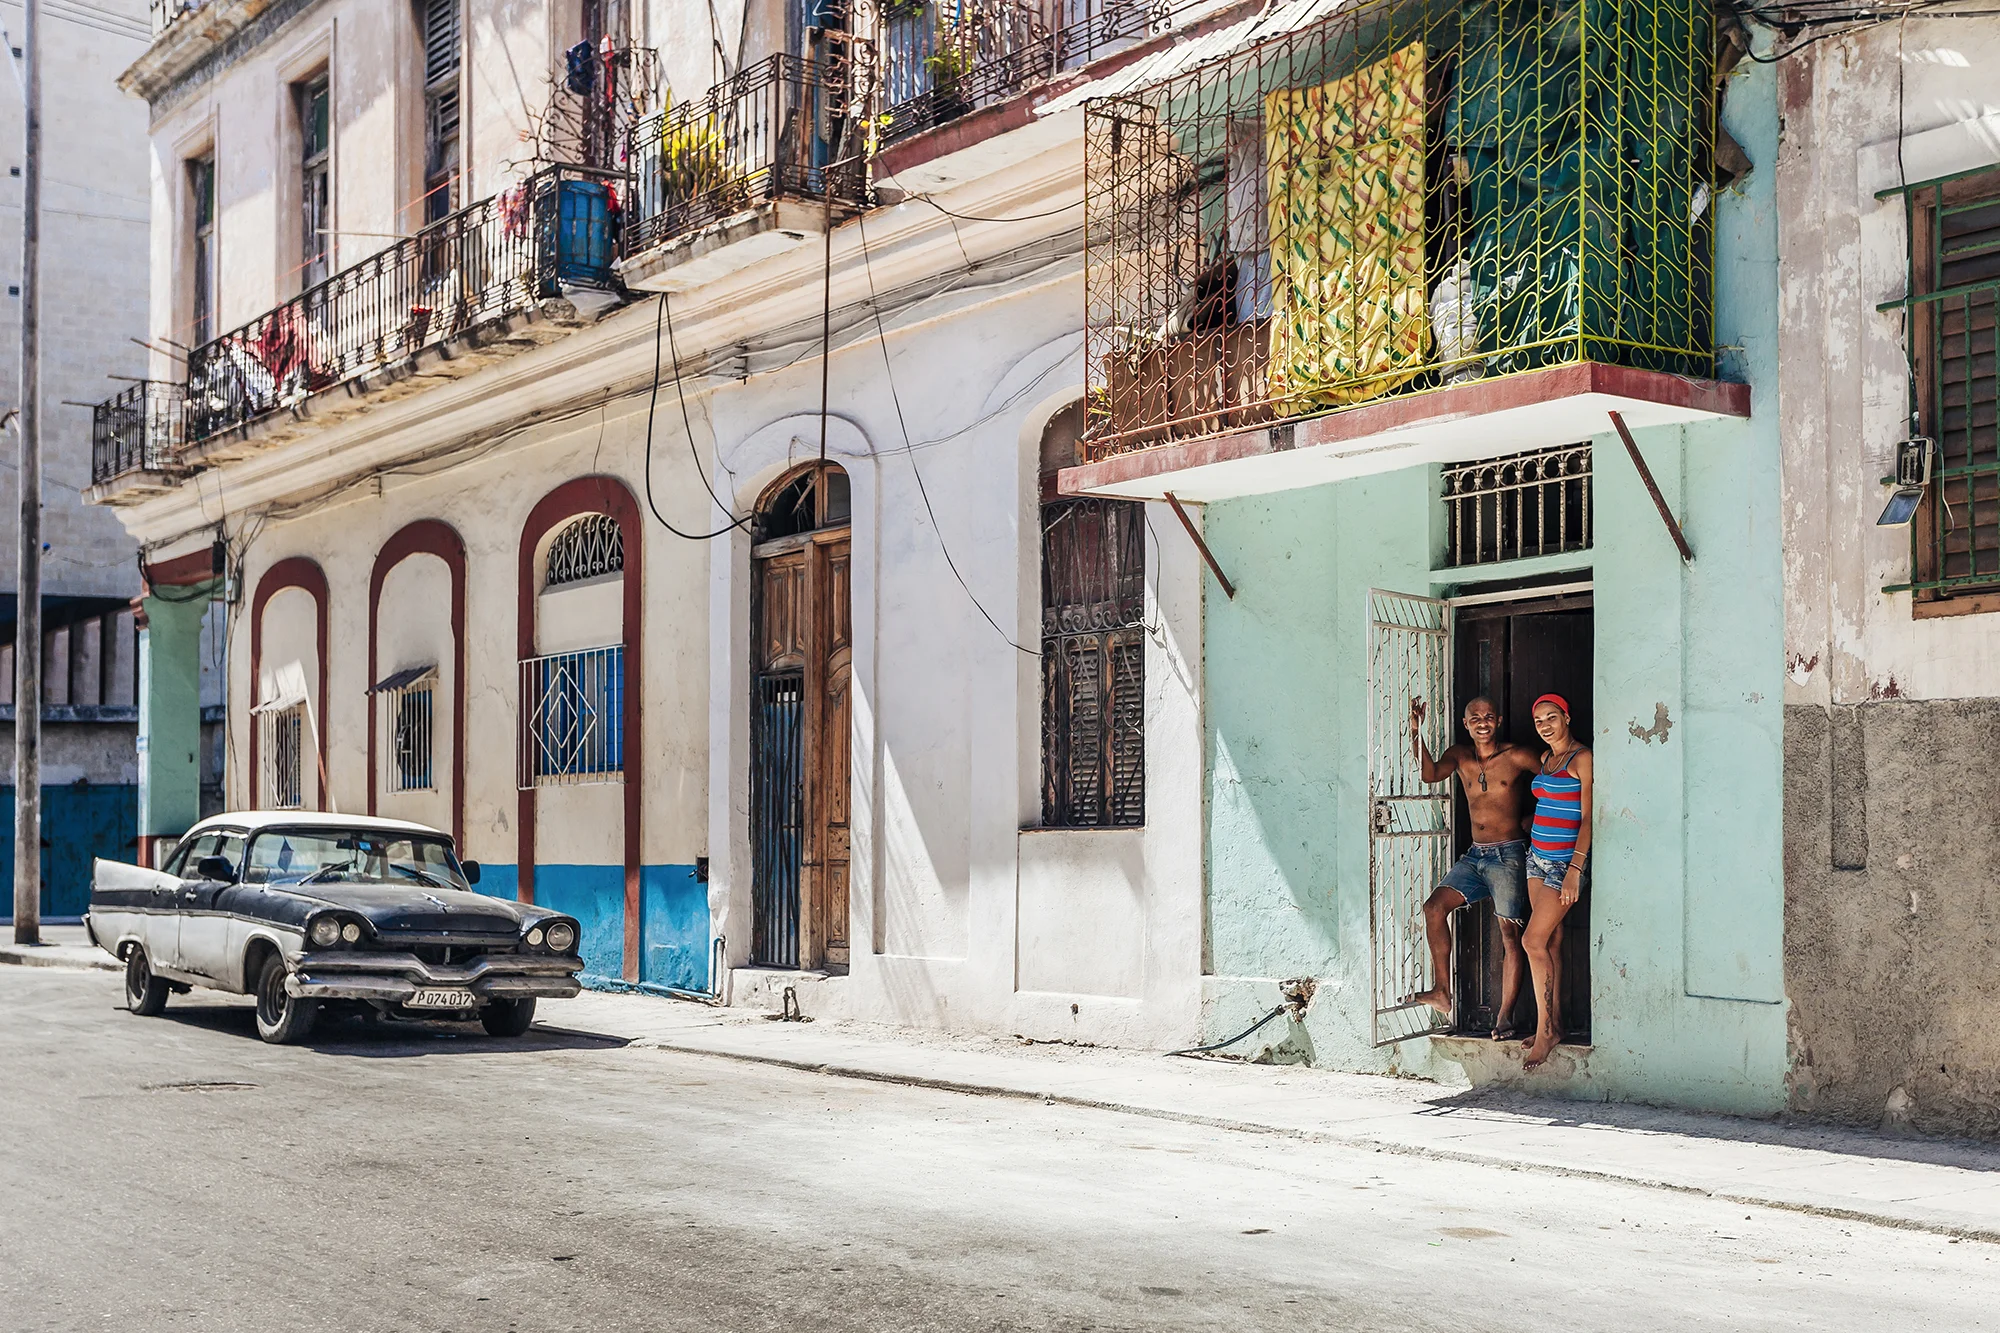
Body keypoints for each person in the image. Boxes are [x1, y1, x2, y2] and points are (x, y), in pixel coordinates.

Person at [1405, 695, 1541, 1035]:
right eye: (1475, 717)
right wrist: (1414, 731)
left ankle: (1504, 1016)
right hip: (1475, 855)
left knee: (1510, 934)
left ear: (1498, 721)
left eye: (1489, 716)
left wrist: (1533, 817)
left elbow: (1556, 779)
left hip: (1508, 854)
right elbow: (1430, 775)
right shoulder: (1459, 755)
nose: (1483, 722)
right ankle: (1441, 990)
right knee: (1434, 908)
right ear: (1466, 724)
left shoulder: (1517, 755)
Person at [1521, 693, 1592, 1069]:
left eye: (1551, 717)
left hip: (1563, 866)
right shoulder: (1547, 759)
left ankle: (1545, 1030)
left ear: (1566, 717)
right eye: (1539, 721)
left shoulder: (1582, 758)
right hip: (1536, 860)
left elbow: (1587, 819)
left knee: (1532, 941)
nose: (1545, 725)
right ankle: (1553, 1024)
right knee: (1550, 941)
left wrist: (1575, 870)